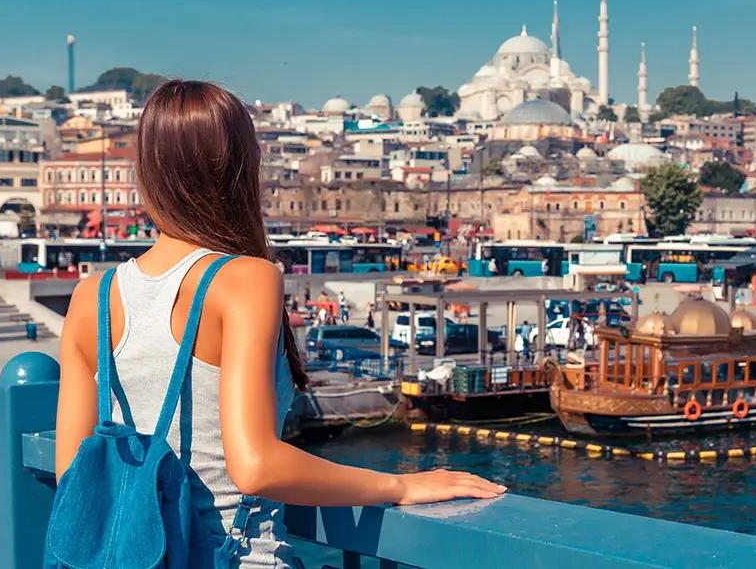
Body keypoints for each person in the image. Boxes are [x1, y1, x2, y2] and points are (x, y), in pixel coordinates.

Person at [54, 81, 502, 566]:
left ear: (145, 170)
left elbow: (72, 476)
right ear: (239, 170)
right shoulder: (244, 280)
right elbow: (256, 466)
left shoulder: (90, 298)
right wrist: (396, 484)